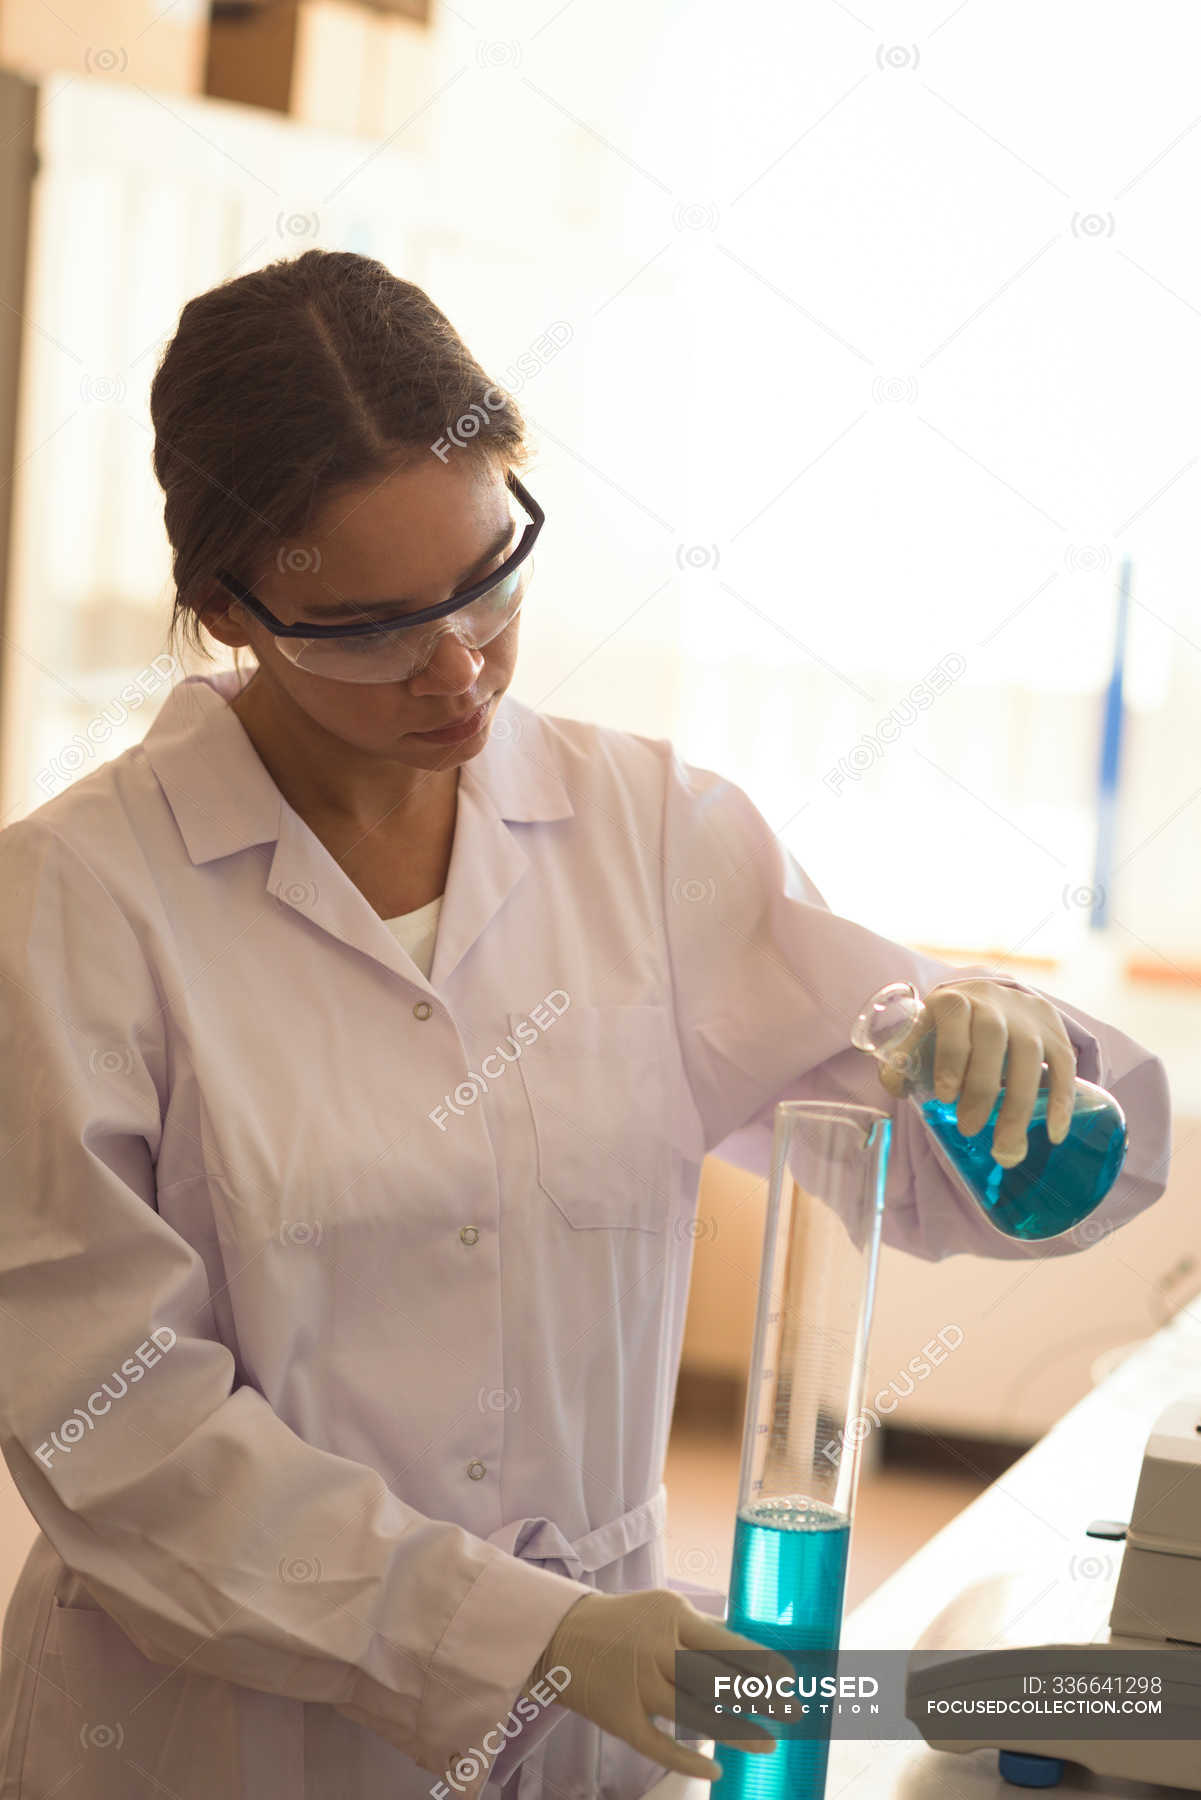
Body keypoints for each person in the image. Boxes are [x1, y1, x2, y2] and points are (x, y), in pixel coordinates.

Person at [0, 250, 1171, 1800]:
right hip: (216, 1748)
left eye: (490, 579)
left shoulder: (644, 831)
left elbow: (956, 1171)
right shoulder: (74, 911)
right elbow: (127, 1444)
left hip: (585, 1752)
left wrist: (1014, 1062)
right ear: (227, 606)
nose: (457, 667)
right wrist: (523, 1636)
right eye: (370, 626)